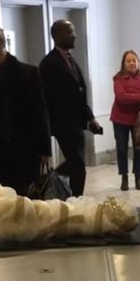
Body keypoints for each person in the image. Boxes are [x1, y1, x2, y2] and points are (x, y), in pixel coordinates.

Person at [0, 23, 52, 194]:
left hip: (24, 148)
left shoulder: (28, 73)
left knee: (24, 199)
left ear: (3, 46)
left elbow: (40, 113)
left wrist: (44, 150)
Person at [38, 20, 102, 196]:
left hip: (77, 124)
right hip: (62, 124)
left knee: (76, 164)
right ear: (56, 35)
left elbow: (79, 92)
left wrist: (90, 118)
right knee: (78, 166)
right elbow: (44, 99)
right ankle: (76, 201)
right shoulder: (48, 63)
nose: (74, 35)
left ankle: (69, 192)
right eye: (68, 31)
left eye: (73, 31)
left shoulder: (71, 60)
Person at [110, 50, 140, 191]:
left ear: (138, 62)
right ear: (123, 64)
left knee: (139, 150)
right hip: (120, 118)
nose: (132, 63)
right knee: (122, 149)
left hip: (139, 119)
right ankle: (124, 177)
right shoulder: (118, 78)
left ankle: (138, 177)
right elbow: (122, 97)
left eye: (134, 60)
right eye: (128, 61)